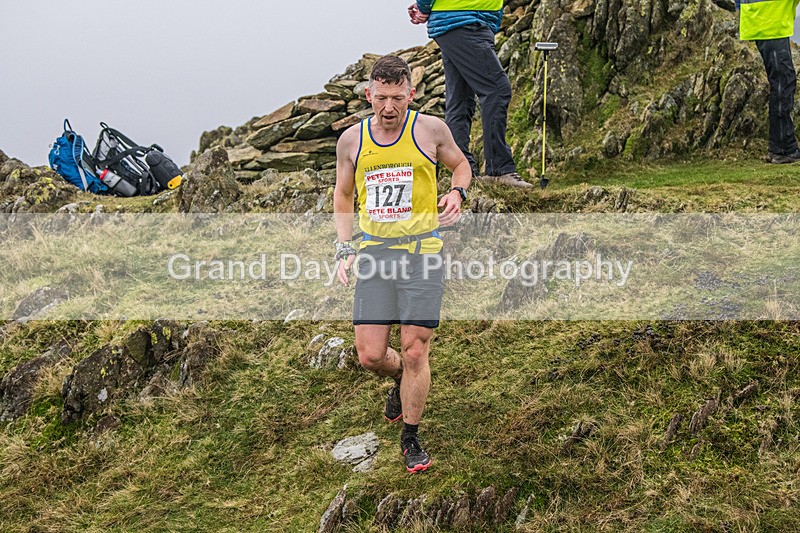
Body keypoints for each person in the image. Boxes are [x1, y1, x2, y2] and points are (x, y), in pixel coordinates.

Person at [334, 55, 471, 473]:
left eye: (397, 98)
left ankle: (411, 437)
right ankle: (397, 379)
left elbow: (461, 165)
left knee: (415, 349)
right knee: (371, 355)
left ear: (411, 94)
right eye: (381, 98)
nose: (389, 107)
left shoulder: (430, 129)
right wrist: (345, 248)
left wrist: (456, 194)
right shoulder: (351, 140)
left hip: (422, 254)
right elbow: (342, 196)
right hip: (375, 255)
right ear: (368, 95)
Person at [409, 0, 532, 187]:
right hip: (464, 21)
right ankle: (499, 169)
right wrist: (424, 6)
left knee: (460, 99)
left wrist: (424, 7)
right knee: (497, 90)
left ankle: (464, 174)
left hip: (461, 22)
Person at [738, 0, 800, 163]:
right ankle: (782, 149)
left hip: (767, 21)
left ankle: (782, 147)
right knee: (782, 84)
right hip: (769, 23)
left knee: (783, 81)